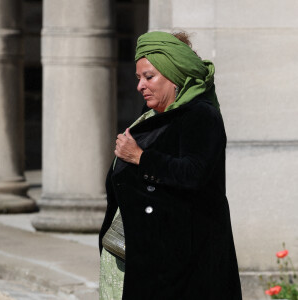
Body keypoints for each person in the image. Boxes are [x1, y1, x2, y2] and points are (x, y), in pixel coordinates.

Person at [99, 31, 242, 300]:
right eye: (138, 78)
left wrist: (141, 157)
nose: (140, 86)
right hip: (150, 261)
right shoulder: (151, 118)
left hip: (185, 267)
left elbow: (194, 173)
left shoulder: (201, 115)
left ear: (175, 76)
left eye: (149, 77)